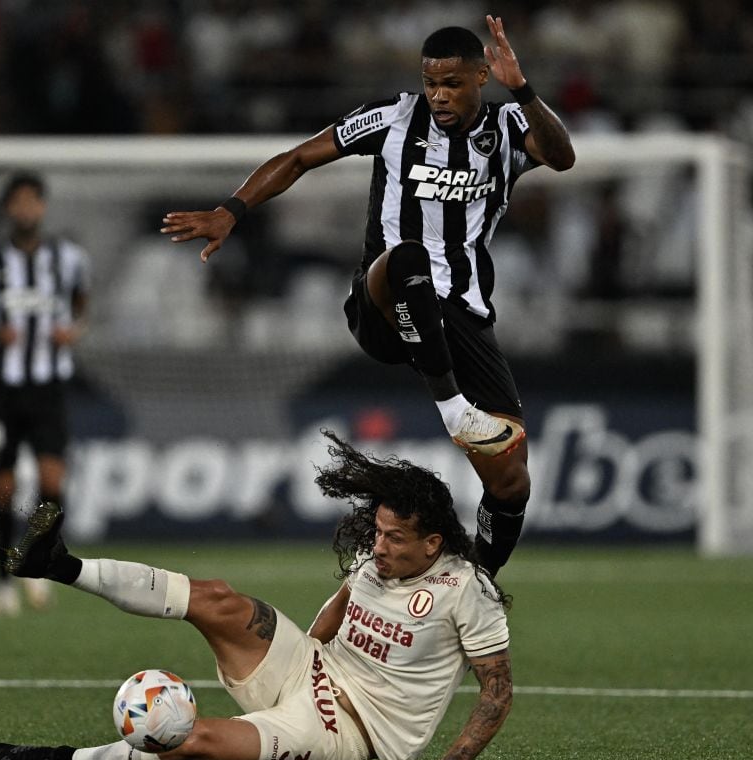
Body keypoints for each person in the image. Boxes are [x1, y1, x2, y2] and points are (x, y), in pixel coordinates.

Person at [160, 17, 575, 576]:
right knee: (406, 257)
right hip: (384, 303)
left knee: (511, 481)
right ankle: (455, 412)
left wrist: (522, 89)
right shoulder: (395, 117)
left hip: (462, 312)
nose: (439, 95)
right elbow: (300, 157)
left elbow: (562, 156)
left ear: (482, 77)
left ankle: (477, 584)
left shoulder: (507, 125)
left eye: (452, 83)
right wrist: (230, 211)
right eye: (431, 83)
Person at [0, 430, 512, 760]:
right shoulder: (374, 562)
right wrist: (300, 658)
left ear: (433, 544)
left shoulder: (467, 589)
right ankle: (60, 565)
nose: (379, 546)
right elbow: (339, 608)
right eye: (378, 532)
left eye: (395, 538)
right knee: (217, 598)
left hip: (343, 731)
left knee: (191, 741)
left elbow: (497, 689)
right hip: (310, 668)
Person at [0, 172, 90, 617]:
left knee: (52, 483)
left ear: (42, 207)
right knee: (3, 489)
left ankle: (37, 563)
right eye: (19, 201)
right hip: (0, 390)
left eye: (33, 201)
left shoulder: (67, 258)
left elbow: (81, 303)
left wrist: (74, 329)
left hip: (48, 387)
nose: (26, 209)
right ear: (9, 208)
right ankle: (2, 580)